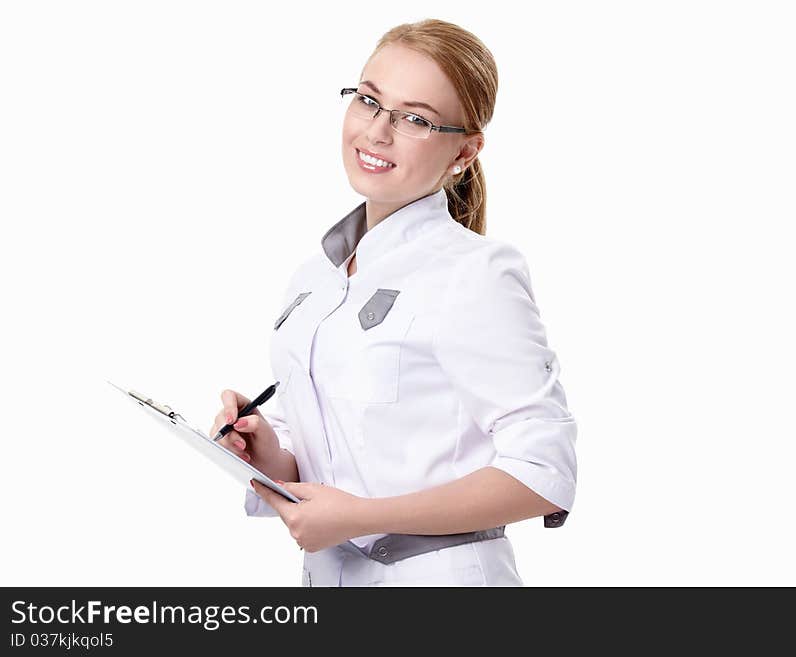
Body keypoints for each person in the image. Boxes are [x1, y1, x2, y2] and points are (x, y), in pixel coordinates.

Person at [209, 18, 577, 586]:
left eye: (415, 119)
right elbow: (342, 460)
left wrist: (361, 519)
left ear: (465, 151)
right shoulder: (317, 279)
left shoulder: (475, 273)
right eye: (368, 101)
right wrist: (270, 455)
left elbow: (543, 473)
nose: (378, 131)